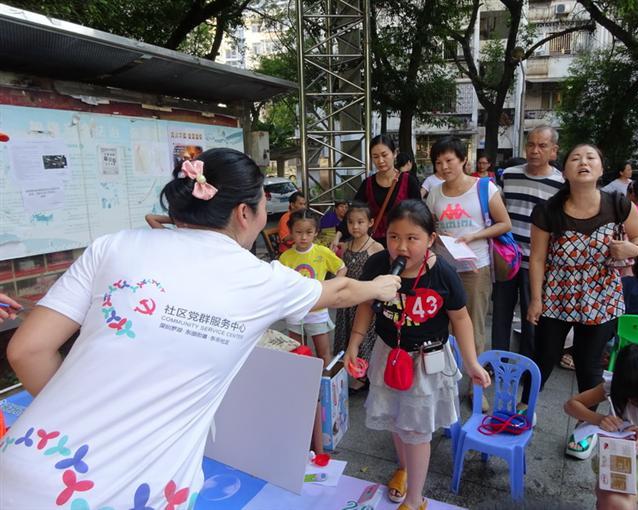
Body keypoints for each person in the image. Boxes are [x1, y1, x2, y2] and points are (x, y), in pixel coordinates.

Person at [1, 148, 401, 507]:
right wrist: (380, 286)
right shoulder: (257, 279)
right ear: (244, 213)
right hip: (126, 489)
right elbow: (340, 290)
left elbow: (25, 351)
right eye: (263, 204)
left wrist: (81, 420)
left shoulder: (114, 245)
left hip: (24, 459)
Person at [345, 200, 491, 510]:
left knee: (416, 429)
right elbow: (366, 305)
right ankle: (404, 469)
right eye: (394, 237)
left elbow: (461, 318)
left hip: (426, 359)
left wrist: (472, 363)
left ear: (430, 239)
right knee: (396, 419)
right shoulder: (378, 265)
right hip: (388, 353)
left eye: (412, 238)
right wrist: (354, 344)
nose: (401, 246)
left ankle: (415, 499)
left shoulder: (444, 274)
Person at [527, 143, 638, 459]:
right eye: (575, 158)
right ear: (565, 171)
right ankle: (525, 409)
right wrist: (536, 299)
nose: (583, 162)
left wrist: (633, 249)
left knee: (588, 363)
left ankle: (586, 427)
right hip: (557, 294)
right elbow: (537, 258)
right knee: (543, 355)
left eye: (591, 157)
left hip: (601, 295)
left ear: (601, 167)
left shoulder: (618, 204)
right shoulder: (548, 210)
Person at [425, 137, 511, 411]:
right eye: (438, 162)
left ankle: (477, 388)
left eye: (449, 160)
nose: (444, 166)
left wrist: (474, 235)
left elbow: (504, 223)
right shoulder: (435, 193)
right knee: (441, 328)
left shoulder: (484, 187)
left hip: (476, 268)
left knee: (474, 328)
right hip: (443, 269)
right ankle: (444, 383)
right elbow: (430, 227)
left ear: (463, 160)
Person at [564, 345, 638, 509]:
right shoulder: (617, 387)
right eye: (630, 397)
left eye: (637, 399)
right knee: (616, 505)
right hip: (618, 462)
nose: (633, 402)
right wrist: (600, 419)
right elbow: (571, 405)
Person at [491, 126, 564, 362]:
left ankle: (526, 366)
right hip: (507, 259)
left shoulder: (561, 184)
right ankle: (497, 362)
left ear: (554, 151)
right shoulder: (509, 175)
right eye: (531, 144)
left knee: (532, 317)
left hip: (537, 263)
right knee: (500, 315)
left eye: (542, 146)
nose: (534, 150)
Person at [279, 209, 347, 366]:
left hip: (317, 310)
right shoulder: (285, 257)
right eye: (298, 232)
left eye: (309, 232)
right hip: (295, 311)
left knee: (323, 352)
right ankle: (300, 378)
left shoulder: (322, 252)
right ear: (291, 232)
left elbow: (341, 268)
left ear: (316, 232)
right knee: (296, 352)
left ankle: (326, 379)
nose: (303, 237)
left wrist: (333, 287)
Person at [333, 202, 384, 390]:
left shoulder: (376, 247)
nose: (355, 226)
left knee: (365, 338)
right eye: (351, 222)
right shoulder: (346, 246)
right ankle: (353, 370)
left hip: (365, 302)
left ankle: (365, 376)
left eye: (360, 222)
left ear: (370, 222)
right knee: (347, 336)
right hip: (347, 302)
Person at [355, 135, 421, 246]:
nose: (380, 161)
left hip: (403, 243)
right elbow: (355, 211)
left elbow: (420, 214)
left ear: (394, 153)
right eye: (375, 157)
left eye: (384, 155)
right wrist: (339, 235)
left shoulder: (409, 181)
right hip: (375, 245)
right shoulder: (367, 184)